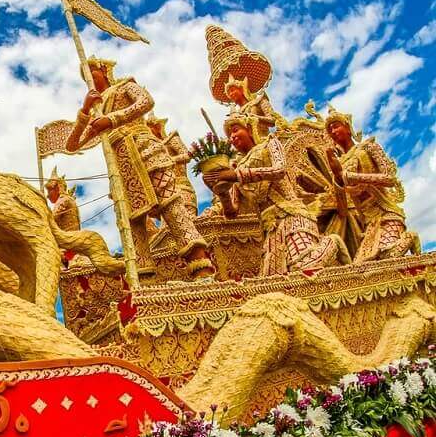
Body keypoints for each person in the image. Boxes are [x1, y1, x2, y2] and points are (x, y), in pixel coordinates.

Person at [65, 58, 213, 280]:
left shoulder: (124, 86)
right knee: (133, 223)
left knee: (171, 206)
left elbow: (146, 101)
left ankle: (201, 269)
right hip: (121, 164)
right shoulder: (96, 108)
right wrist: (85, 110)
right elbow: (73, 145)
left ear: (104, 71)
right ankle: (145, 282)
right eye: (83, 77)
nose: (88, 80)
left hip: (145, 150)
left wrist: (113, 119)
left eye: (91, 72)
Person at [203, 113, 347, 276]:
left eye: (236, 130)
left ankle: (332, 242)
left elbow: (279, 170)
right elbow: (231, 212)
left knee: (304, 269)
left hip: (292, 217)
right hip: (269, 231)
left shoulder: (270, 144)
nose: (233, 137)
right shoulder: (236, 166)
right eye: (229, 135)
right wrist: (221, 192)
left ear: (250, 129)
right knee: (273, 285)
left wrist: (237, 175)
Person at [323, 106, 418, 263]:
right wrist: (337, 177)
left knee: (387, 257)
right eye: (329, 130)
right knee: (361, 269)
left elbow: (389, 178)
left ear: (347, 127)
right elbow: (343, 210)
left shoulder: (369, 147)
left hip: (386, 214)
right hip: (368, 223)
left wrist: (352, 176)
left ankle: (410, 237)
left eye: (336, 126)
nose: (333, 132)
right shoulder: (341, 163)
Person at [44, 166, 80, 266]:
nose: (47, 195)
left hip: (67, 245)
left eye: (49, 191)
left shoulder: (63, 200)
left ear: (57, 188)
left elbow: (50, 220)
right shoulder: (67, 199)